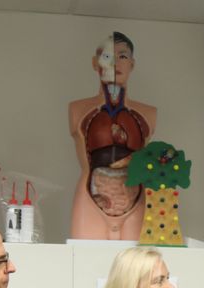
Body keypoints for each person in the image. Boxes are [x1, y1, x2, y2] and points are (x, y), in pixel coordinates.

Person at [68, 31, 156, 240]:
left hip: (134, 197)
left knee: (137, 266)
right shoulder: (78, 110)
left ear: (132, 64)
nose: (115, 63)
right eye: (107, 56)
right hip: (92, 195)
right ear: (94, 63)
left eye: (122, 56)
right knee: (84, 260)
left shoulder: (148, 114)